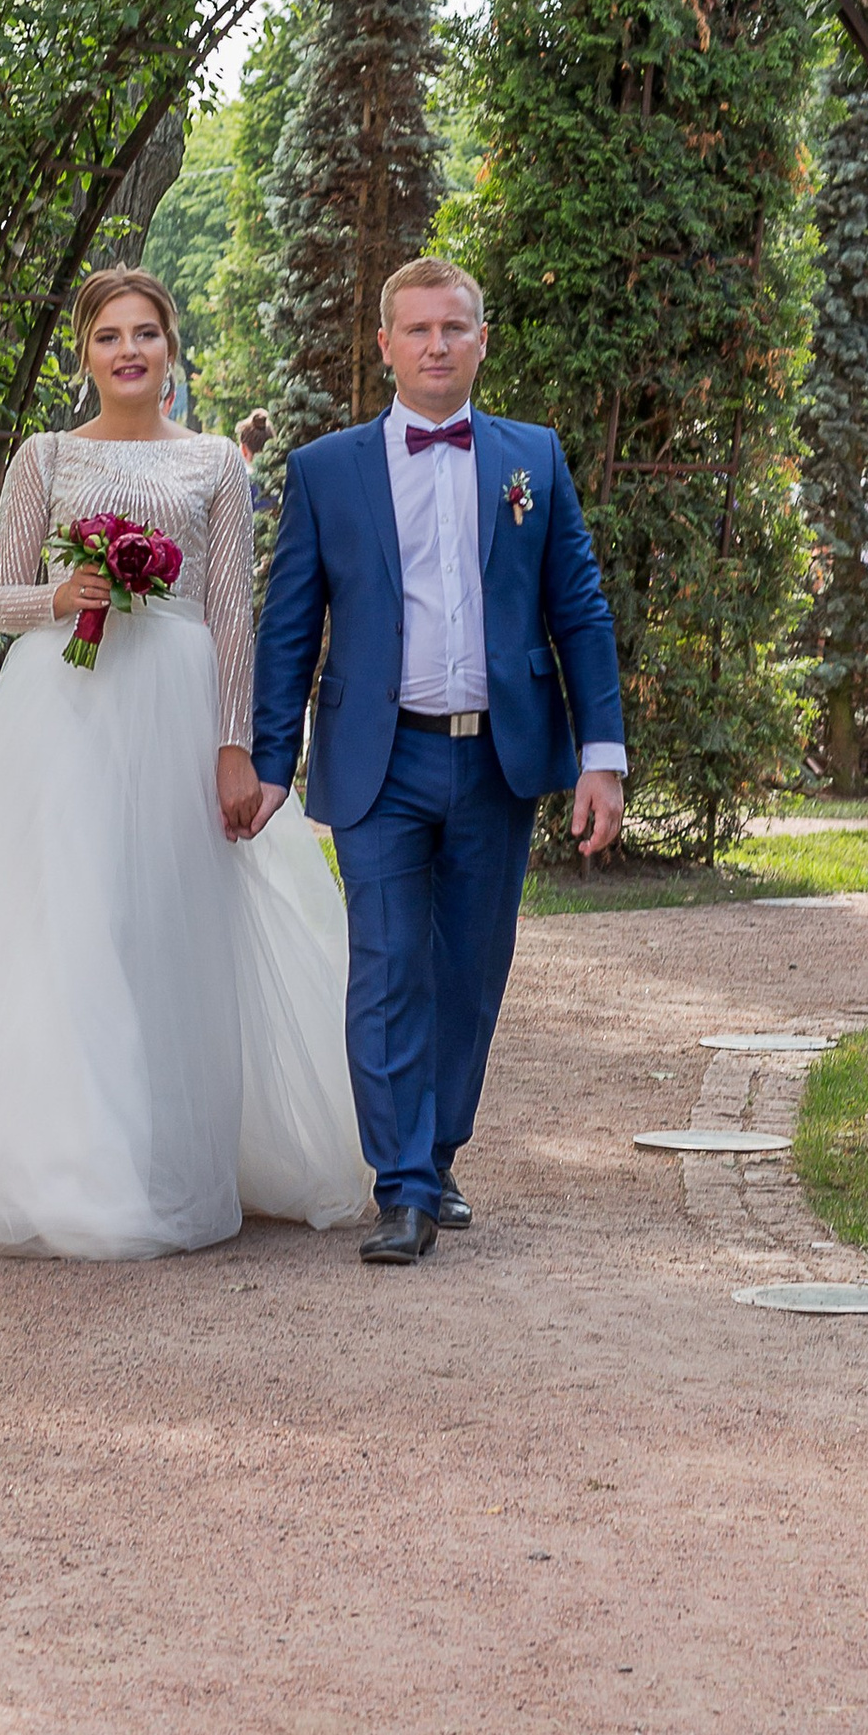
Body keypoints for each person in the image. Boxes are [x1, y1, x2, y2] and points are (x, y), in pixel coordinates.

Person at [0, 269, 369, 1258]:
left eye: (145, 334)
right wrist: (64, 592)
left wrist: (236, 749)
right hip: (64, 714)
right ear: (84, 354)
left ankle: (165, 1150)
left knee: (165, 923)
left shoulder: (218, 465)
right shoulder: (43, 457)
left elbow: (232, 619)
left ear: (172, 349)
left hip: (175, 711)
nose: (127, 351)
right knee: (66, 919)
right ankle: (71, 1163)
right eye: (107, 337)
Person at [245, 256, 626, 1267]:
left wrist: (603, 756)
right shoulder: (327, 471)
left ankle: (438, 1148)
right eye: (416, 330)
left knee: (470, 972)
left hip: (498, 760)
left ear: (481, 339)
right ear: (384, 346)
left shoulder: (530, 462)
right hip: (380, 759)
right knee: (384, 965)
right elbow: (290, 629)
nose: (435, 345)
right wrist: (270, 762)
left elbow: (578, 612)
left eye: (453, 327)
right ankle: (402, 1187)